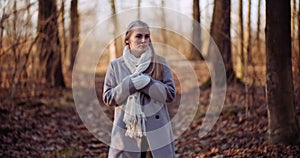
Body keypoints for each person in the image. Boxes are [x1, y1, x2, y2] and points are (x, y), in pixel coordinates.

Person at [103, 20, 176, 158]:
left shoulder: (160, 63)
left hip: (156, 131)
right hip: (127, 132)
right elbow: (108, 98)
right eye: (138, 36)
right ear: (128, 40)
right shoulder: (116, 65)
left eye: (147, 36)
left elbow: (170, 94)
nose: (143, 40)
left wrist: (148, 84)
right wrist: (129, 85)